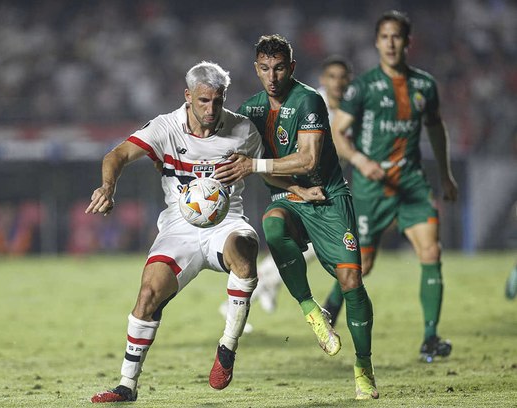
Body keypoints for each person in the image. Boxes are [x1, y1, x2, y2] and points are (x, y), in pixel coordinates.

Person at [87, 61, 323, 403]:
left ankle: (227, 348)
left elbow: (267, 173)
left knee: (244, 254)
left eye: (217, 100)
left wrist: (299, 191)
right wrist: (107, 187)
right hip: (178, 228)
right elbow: (118, 154)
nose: (211, 109)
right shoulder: (166, 127)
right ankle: (126, 386)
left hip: (227, 222)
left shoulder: (243, 130)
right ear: (188, 96)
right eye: (203, 101)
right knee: (148, 297)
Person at [215, 35, 378, 400]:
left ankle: (363, 368)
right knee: (272, 225)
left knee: (352, 280)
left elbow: (307, 159)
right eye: (264, 69)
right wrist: (295, 190)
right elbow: (253, 164)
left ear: (291, 67)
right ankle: (311, 309)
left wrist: (257, 166)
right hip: (290, 195)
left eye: (279, 67)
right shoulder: (251, 110)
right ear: (256, 69)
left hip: (329, 197)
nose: (272, 76)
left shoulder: (309, 100)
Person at [329, 10, 459, 363]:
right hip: (373, 187)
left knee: (432, 253)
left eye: (396, 36)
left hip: (413, 184)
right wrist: (359, 161)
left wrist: (445, 174)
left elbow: (436, 128)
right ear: (376, 42)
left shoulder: (424, 86)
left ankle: (430, 338)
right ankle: (328, 311)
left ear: (407, 42)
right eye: (384, 36)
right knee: (362, 266)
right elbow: (338, 132)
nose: (390, 43)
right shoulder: (362, 87)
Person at [220, 55, 354, 331]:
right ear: (323, 83)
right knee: (308, 243)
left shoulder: (350, 109)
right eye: (332, 79)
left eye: (343, 79)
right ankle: (248, 295)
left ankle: (268, 285)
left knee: (312, 248)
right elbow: (315, 151)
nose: (338, 84)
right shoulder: (312, 104)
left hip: (319, 186)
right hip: (292, 182)